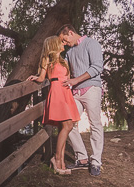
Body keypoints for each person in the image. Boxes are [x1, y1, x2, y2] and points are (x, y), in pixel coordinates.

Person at [28, 36, 81, 175]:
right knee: (67, 125)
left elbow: (69, 76)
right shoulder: (47, 59)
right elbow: (41, 77)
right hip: (57, 91)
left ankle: (61, 162)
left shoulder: (63, 60)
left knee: (66, 126)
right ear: (54, 44)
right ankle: (56, 159)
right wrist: (36, 78)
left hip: (65, 92)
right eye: (60, 42)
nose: (63, 43)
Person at [58, 24, 104, 176]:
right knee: (68, 123)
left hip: (91, 89)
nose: (64, 44)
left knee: (95, 124)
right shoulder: (70, 52)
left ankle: (96, 161)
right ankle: (82, 158)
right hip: (75, 92)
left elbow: (97, 67)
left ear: (71, 33)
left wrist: (75, 80)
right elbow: (65, 71)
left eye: (65, 40)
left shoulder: (92, 43)